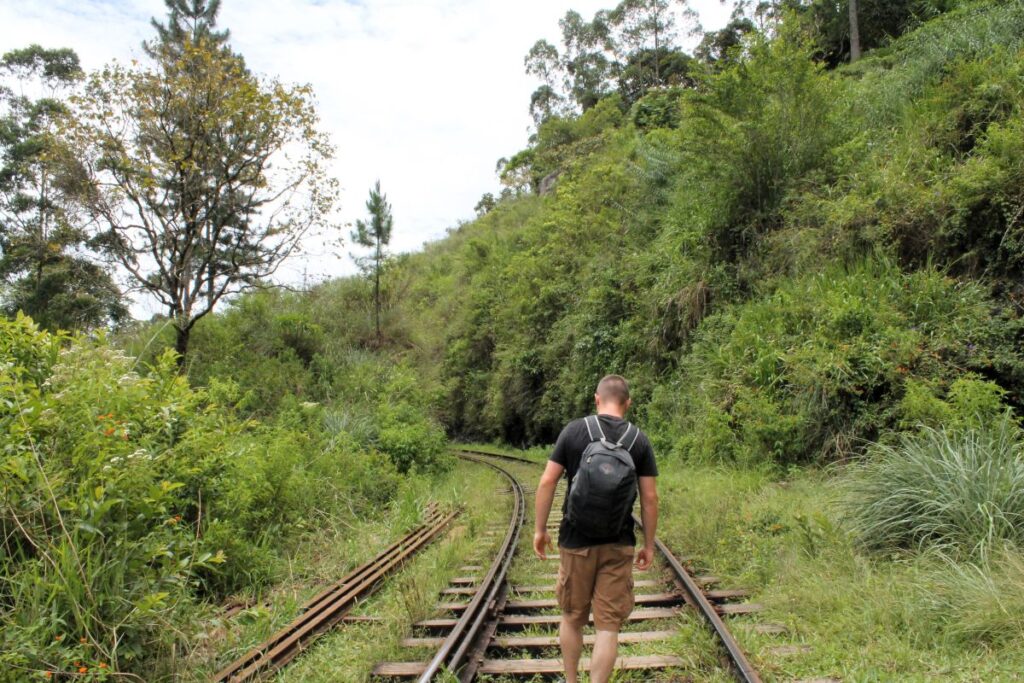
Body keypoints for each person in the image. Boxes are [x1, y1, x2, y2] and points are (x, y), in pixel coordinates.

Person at [533, 374, 659, 683]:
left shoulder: (575, 431)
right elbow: (650, 497)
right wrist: (649, 544)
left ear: (596, 399)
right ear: (627, 404)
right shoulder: (638, 440)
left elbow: (548, 481)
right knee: (608, 626)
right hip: (618, 542)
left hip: (575, 540)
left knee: (573, 617)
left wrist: (540, 530)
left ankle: (572, 680)